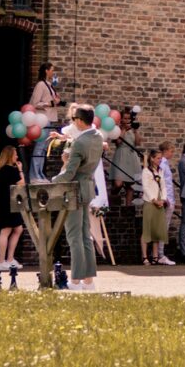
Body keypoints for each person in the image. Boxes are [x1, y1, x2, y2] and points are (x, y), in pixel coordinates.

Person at [55, 106, 103, 290]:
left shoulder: (80, 143)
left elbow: (68, 173)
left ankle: (75, 280)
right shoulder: (97, 137)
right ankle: (88, 280)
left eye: (74, 119)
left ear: (79, 121)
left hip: (74, 190)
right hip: (87, 188)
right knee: (85, 235)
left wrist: (53, 180)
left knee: (74, 235)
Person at [0, 145, 26, 288]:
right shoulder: (10, 170)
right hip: (8, 204)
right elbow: (22, 184)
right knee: (6, 231)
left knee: (18, 229)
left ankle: (9, 259)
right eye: (15, 154)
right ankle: (2, 261)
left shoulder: (0, 170)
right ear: (9, 156)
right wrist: (20, 169)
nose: (17, 157)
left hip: (6, 203)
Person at [140, 142, 174, 266]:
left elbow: (163, 186)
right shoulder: (146, 171)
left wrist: (163, 199)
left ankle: (155, 256)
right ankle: (145, 256)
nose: (160, 160)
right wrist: (154, 200)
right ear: (152, 159)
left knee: (157, 230)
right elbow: (146, 188)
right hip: (150, 202)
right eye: (158, 158)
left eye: (161, 158)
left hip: (160, 202)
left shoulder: (160, 171)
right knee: (147, 229)